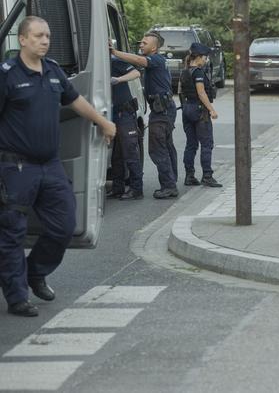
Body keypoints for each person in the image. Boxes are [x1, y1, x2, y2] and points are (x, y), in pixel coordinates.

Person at [0, 16, 116, 317]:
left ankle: (34, 272)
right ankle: (16, 298)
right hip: (17, 166)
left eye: (47, 36)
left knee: (65, 224)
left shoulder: (52, 71)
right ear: (22, 40)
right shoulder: (7, 74)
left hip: (49, 166)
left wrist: (102, 121)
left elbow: (75, 100)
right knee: (12, 232)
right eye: (38, 36)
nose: (45, 40)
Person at [111, 32, 179, 199]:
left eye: (144, 43)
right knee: (167, 147)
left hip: (162, 111)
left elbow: (139, 62)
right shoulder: (155, 61)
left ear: (154, 47)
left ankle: (169, 186)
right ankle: (171, 183)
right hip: (162, 109)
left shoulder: (156, 59)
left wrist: (114, 52)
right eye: (141, 42)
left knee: (157, 149)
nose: (141, 45)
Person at [179, 43, 222, 187]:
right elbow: (201, 92)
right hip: (199, 110)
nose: (206, 60)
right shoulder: (197, 72)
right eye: (205, 57)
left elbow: (181, 92)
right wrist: (211, 110)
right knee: (206, 144)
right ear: (198, 57)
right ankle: (207, 176)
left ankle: (189, 176)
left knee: (191, 145)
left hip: (187, 109)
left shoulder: (184, 71)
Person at [106, 51, 143, 200]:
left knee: (130, 152)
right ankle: (117, 188)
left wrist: (118, 79)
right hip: (113, 113)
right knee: (117, 154)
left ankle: (136, 189)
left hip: (124, 112)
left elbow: (136, 73)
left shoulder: (115, 61)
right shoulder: (99, 63)